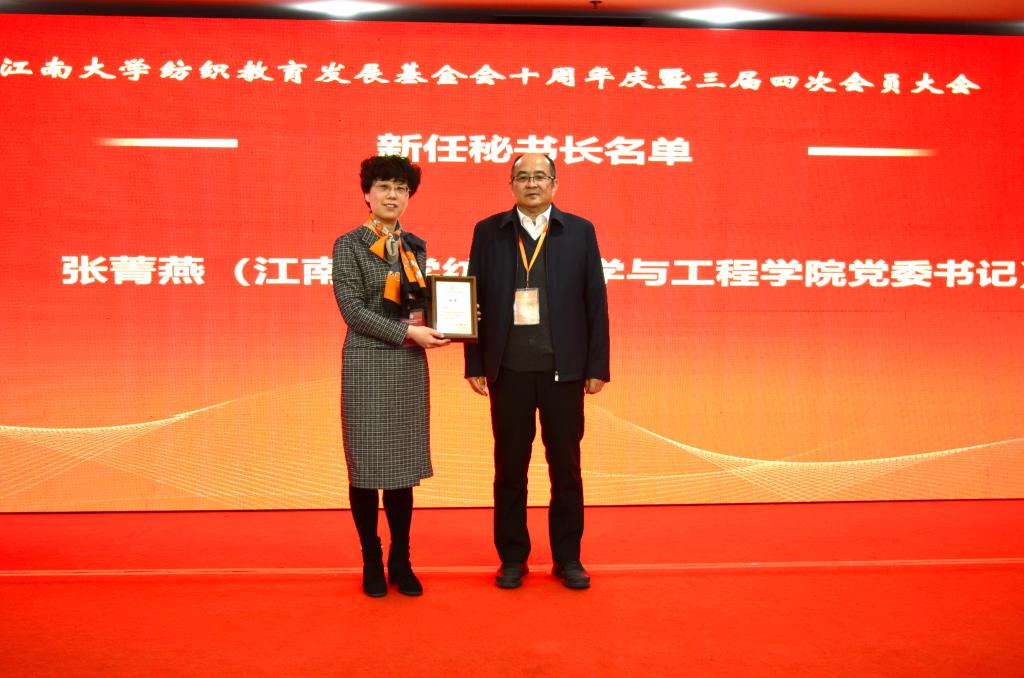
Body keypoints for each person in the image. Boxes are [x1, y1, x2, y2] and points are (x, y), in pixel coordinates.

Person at [465, 153, 610, 590]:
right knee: (510, 469)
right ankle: (513, 558)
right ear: (511, 184)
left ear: (555, 184)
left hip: (563, 371)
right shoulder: (488, 231)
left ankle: (568, 558)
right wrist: (475, 361)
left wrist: (597, 366)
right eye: (523, 177)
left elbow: (595, 302)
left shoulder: (580, 231)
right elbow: (471, 301)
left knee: (566, 468)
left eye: (540, 176)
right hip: (508, 370)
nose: (532, 184)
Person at [332, 155, 450, 597]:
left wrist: (453, 319)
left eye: (401, 188)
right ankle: (371, 558)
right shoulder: (349, 245)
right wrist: (409, 333)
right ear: (367, 193)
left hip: (406, 367)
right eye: (384, 186)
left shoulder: (414, 246)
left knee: (401, 471)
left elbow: (418, 304)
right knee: (365, 470)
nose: (393, 195)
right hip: (366, 365)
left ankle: (401, 558)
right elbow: (353, 311)